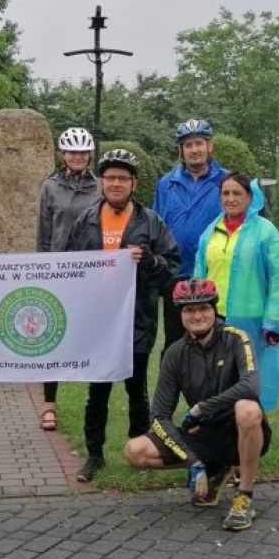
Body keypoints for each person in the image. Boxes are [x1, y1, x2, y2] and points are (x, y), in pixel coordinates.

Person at [64, 149, 180, 482]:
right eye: (110, 177)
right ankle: (94, 454)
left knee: (136, 389)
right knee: (97, 390)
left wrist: (149, 260)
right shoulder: (86, 219)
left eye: (123, 178)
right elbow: (70, 267)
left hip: (136, 318)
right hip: (98, 321)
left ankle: (138, 449)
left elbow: (172, 267)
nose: (116, 184)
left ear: (134, 184)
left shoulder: (150, 222)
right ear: (102, 181)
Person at [123, 278, 271, 532]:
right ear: (180, 314)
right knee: (135, 450)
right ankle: (214, 469)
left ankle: (244, 496)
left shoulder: (236, 338)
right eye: (189, 310)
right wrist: (192, 461)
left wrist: (202, 408)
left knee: (247, 409)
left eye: (204, 308)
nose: (197, 315)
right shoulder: (174, 353)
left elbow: (251, 386)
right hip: (203, 435)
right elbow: (159, 416)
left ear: (214, 310)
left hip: (240, 430)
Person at [193, 173, 279, 410]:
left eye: (237, 193)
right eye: (225, 193)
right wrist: (194, 309)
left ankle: (250, 429)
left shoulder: (266, 232)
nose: (231, 198)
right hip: (213, 318)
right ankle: (216, 429)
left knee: (249, 379)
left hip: (252, 321)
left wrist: (273, 322)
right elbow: (199, 273)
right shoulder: (210, 231)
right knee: (214, 377)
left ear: (250, 197)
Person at [35, 127, 102, 431]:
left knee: (93, 335)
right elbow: (44, 232)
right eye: (72, 152)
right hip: (59, 270)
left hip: (91, 271)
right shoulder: (49, 187)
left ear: (89, 156)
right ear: (63, 155)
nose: (78, 157)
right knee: (53, 337)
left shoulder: (100, 187)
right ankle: (49, 404)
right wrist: (43, 268)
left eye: (83, 152)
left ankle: (96, 399)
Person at [154, 119, 228, 352]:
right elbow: (156, 226)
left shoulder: (226, 181)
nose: (194, 150)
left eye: (199, 143)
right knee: (175, 345)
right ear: (180, 151)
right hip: (176, 275)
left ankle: (215, 390)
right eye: (188, 145)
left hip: (214, 274)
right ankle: (171, 389)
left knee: (215, 343)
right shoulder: (166, 184)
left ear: (210, 147)